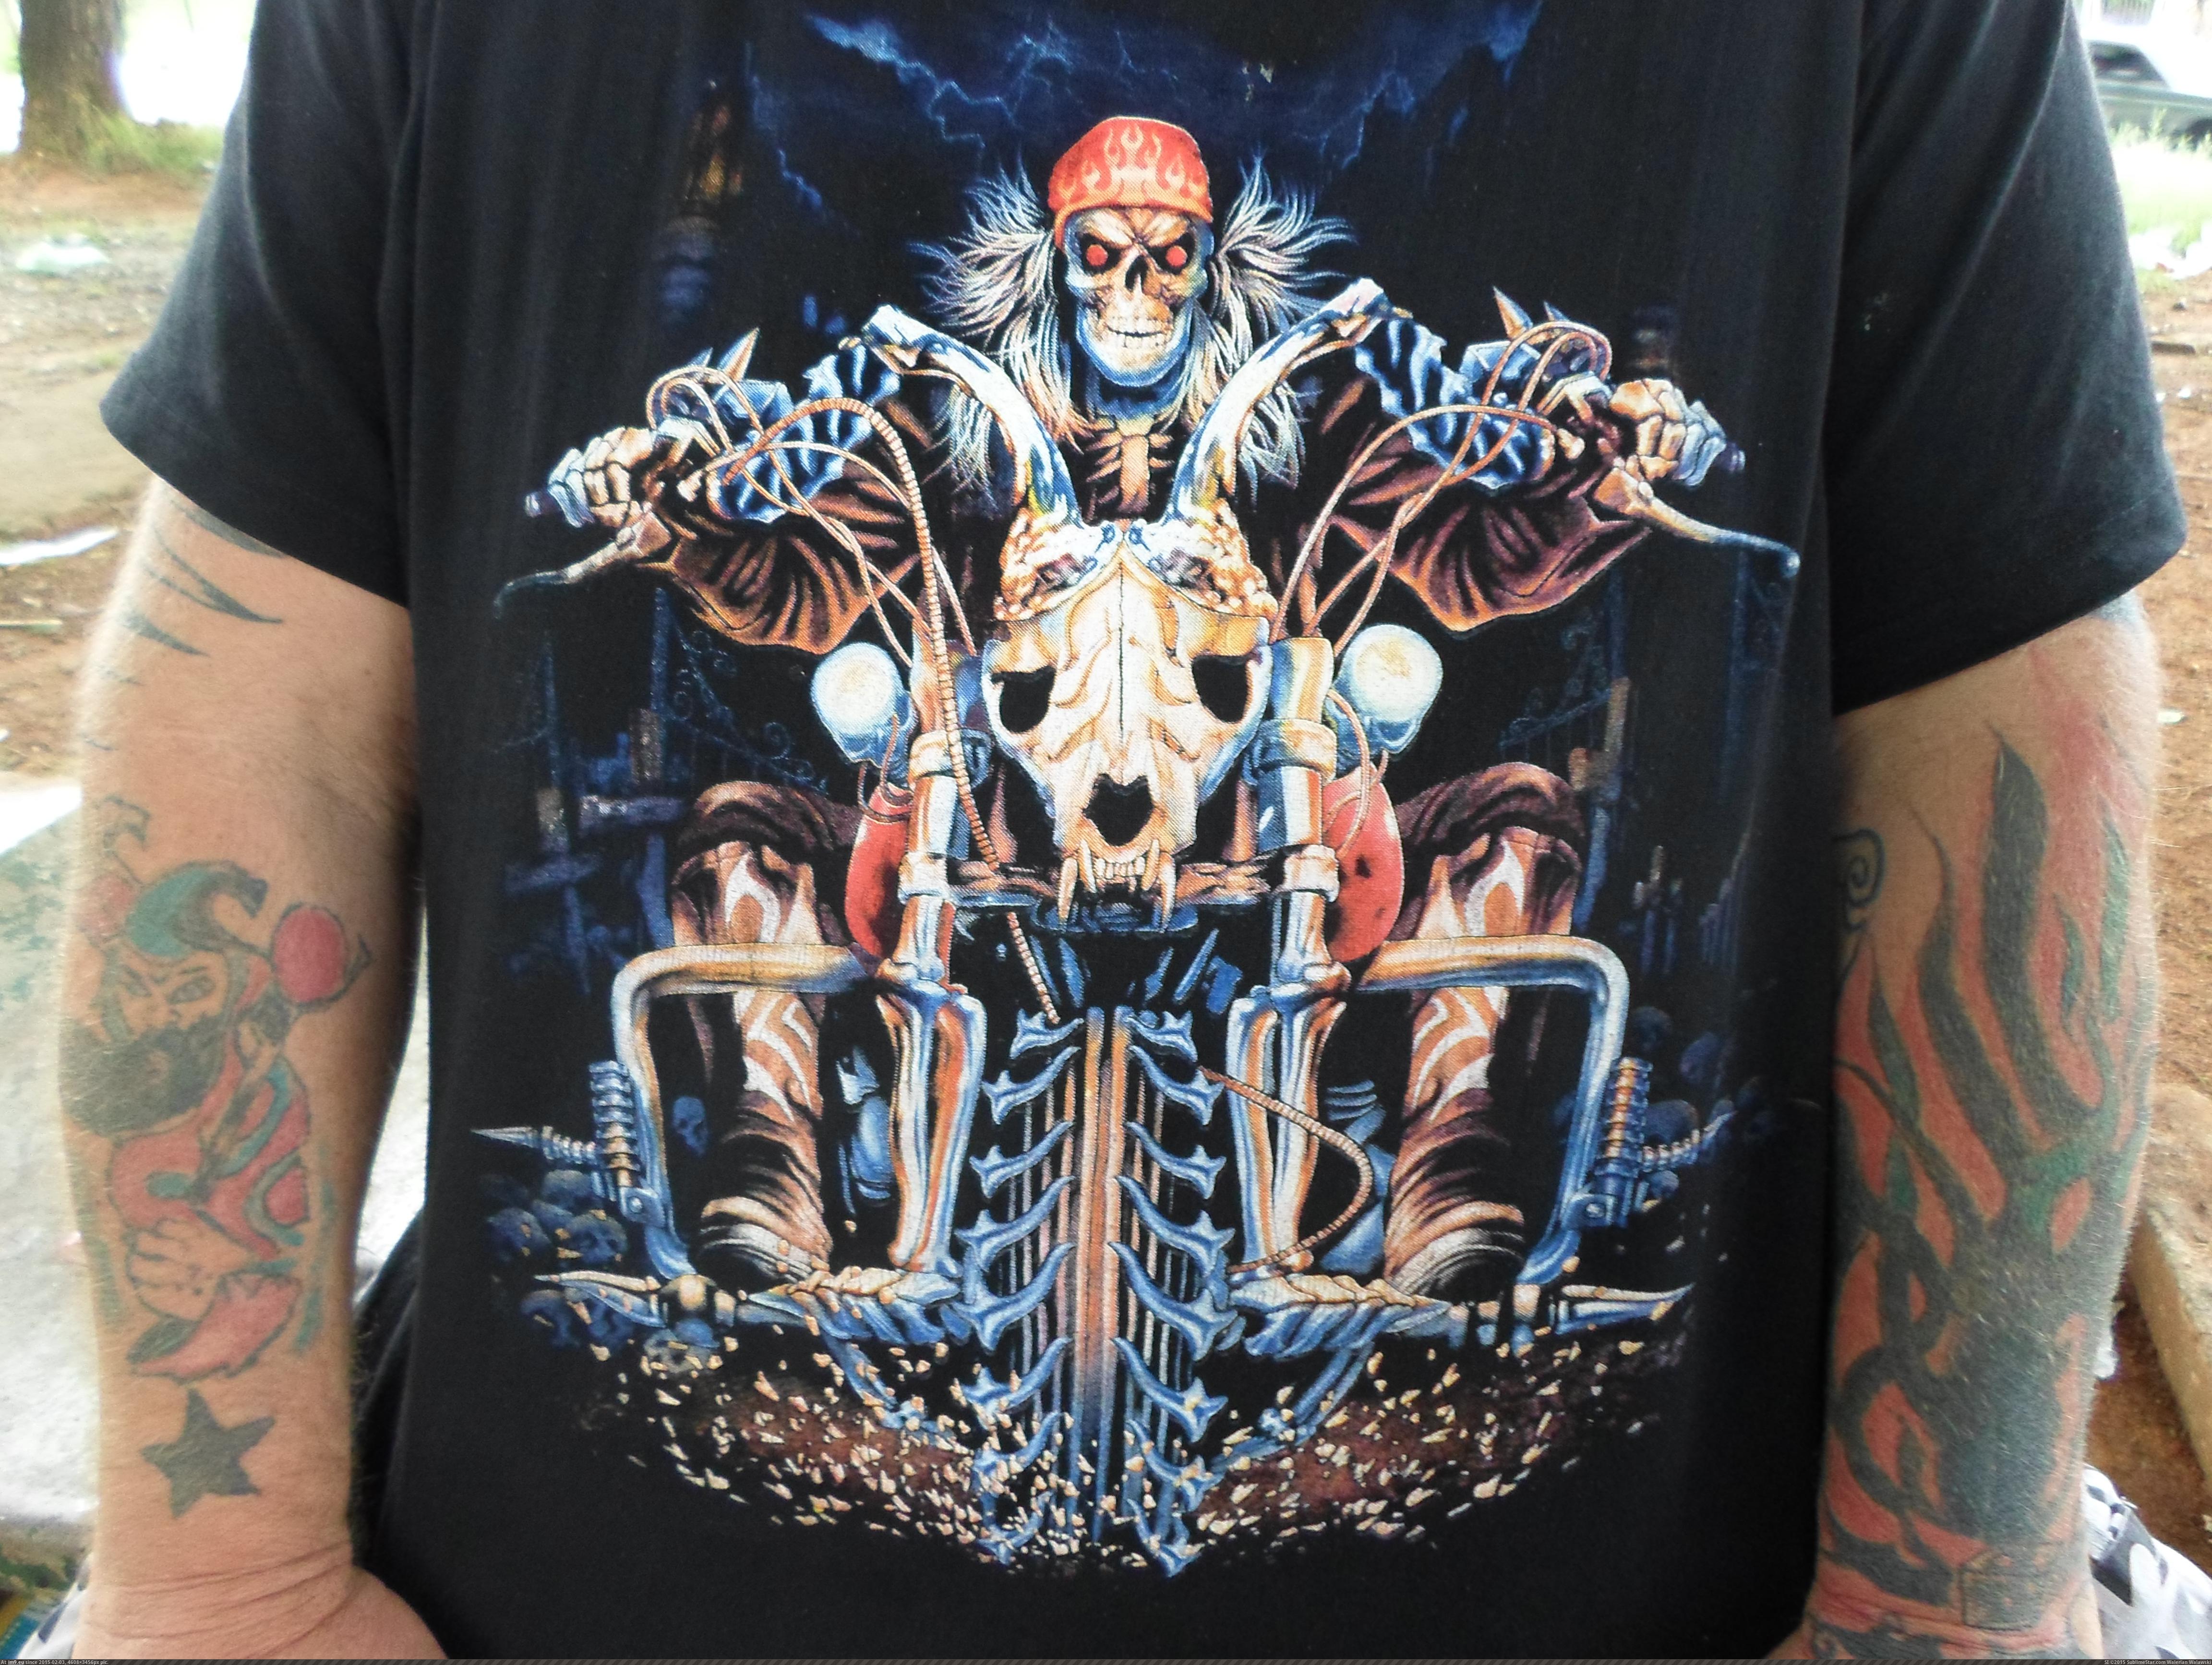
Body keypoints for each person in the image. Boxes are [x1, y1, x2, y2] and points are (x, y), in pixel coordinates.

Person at [51, 0, 2181, 1655]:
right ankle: (770, 1170)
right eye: (1105, 251)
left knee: (1512, 829)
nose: (1140, 283)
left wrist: (1571, 451)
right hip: (972, 820)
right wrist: (219, 1589)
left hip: (1276, 810)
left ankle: (1452, 1167)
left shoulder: (1316, 404)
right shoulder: (939, 417)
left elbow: (1975, 699)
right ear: (1054, 259)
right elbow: (272, 695)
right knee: (753, 842)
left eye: (1171, 252)